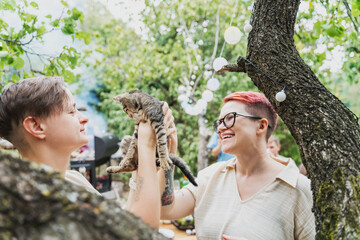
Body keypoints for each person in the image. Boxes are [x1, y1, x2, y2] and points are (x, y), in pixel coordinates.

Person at [130, 91, 315, 239]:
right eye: (218, 122)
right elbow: (165, 209)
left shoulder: (300, 189)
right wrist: (168, 156)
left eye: (230, 118)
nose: (220, 128)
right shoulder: (209, 177)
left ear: (261, 126)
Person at [0, 76, 101, 196]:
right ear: (36, 126)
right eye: (71, 111)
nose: (85, 119)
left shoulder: (75, 179)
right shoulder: (26, 198)